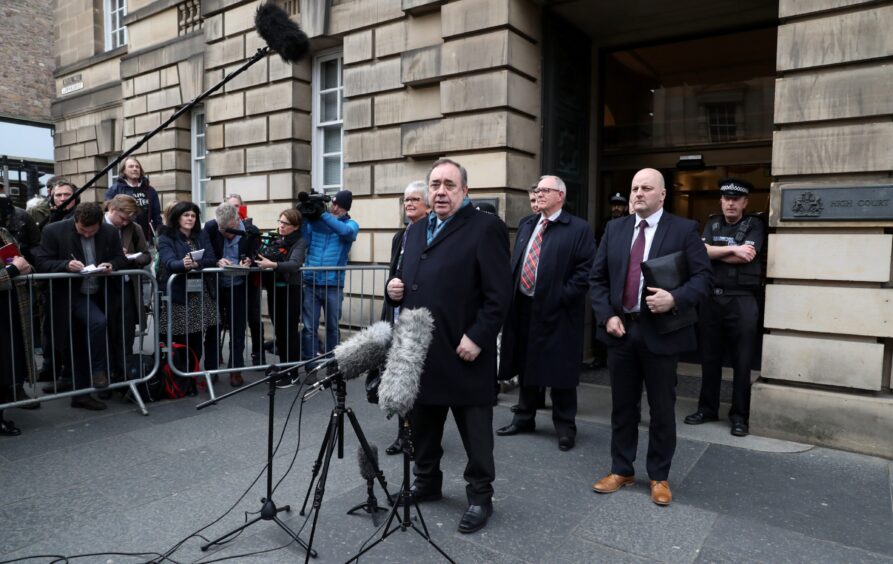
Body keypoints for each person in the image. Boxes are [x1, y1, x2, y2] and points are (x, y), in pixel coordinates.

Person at [386, 158, 512, 534]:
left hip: (464, 350)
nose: (441, 191)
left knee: (475, 432)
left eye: (449, 185)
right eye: (435, 184)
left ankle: (479, 496)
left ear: (465, 191)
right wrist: (394, 291)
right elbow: (410, 277)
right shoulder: (416, 228)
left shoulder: (485, 227)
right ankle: (427, 483)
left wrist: (478, 337)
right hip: (422, 352)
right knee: (423, 428)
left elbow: (499, 294)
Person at [589, 167, 711, 506]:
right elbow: (596, 280)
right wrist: (607, 315)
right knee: (622, 407)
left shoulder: (684, 230)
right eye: (634, 187)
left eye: (646, 188)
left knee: (661, 408)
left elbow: (703, 280)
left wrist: (675, 298)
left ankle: (659, 476)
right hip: (621, 330)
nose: (638, 193)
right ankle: (621, 469)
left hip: (661, 333)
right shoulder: (615, 229)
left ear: (661, 195)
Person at [495, 175, 596, 451]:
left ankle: (565, 426)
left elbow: (585, 272)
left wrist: (560, 297)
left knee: (560, 371)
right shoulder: (528, 224)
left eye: (544, 190)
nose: (537, 194)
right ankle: (524, 417)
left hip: (559, 312)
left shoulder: (578, 229)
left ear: (560, 195)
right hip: (525, 308)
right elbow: (518, 262)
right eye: (536, 190)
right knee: (527, 365)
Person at [685, 178, 765, 437]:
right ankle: (707, 408)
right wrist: (732, 250)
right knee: (709, 358)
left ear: (744, 202)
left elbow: (748, 256)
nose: (730, 203)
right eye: (726, 199)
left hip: (741, 300)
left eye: (736, 199)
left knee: (742, 361)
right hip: (711, 299)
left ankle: (739, 416)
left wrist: (715, 249)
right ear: (721, 201)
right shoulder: (712, 222)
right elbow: (700, 251)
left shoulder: (754, 224)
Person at [33, 202, 128, 411]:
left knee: (87, 338)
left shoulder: (110, 232)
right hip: (69, 296)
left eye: (91, 231)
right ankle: (95, 374)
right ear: (75, 221)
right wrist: (65, 265)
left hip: (98, 294)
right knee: (92, 327)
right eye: (82, 230)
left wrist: (112, 265)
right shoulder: (53, 230)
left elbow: (120, 259)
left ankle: (84, 389)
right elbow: (40, 262)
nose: (87, 235)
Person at [380, 180, 430, 456]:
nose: (409, 204)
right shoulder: (400, 236)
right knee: (399, 377)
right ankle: (403, 434)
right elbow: (392, 276)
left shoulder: (431, 234)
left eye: (414, 199)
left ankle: (418, 435)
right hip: (397, 315)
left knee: (417, 380)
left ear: (427, 203)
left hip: (419, 320)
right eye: (406, 200)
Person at [157, 201, 219, 385]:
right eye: (186, 215)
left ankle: (192, 373)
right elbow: (169, 262)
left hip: (201, 293)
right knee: (180, 337)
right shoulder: (166, 236)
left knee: (197, 336)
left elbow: (211, 259)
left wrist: (197, 264)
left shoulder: (201, 235)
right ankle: (179, 377)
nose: (190, 219)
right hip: (178, 294)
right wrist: (182, 264)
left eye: (193, 215)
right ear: (177, 217)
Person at [203, 203, 259, 387]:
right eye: (222, 230)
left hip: (240, 286)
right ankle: (211, 370)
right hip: (216, 286)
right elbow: (206, 254)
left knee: (238, 328)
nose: (225, 234)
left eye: (229, 230)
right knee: (213, 328)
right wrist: (216, 261)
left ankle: (236, 369)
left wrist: (250, 261)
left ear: (237, 221)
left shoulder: (251, 231)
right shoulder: (211, 228)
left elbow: (257, 256)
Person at [301, 189, 359, 360]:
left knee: (332, 328)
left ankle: (332, 366)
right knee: (309, 328)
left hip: (333, 285)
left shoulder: (351, 224)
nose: (334, 207)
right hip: (311, 283)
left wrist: (323, 215)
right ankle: (311, 366)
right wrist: (305, 216)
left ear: (345, 208)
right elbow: (304, 241)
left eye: (337, 205)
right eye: (332, 204)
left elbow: (346, 233)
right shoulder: (317, 223)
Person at [104, 195, 153, 385]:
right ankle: (106, 374)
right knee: (105, 330)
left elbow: (147, 255)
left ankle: (124, 373)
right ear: (112, 209)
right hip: (103, 285)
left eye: (128, 220)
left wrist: (131, 258)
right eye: (122, 218)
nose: (124, 223)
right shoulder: (98, 225)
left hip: (126, 285)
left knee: (126, 331)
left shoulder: (134, 228)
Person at [256, 209, 307, 363]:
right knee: (278, 331)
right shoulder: (276, 239)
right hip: (274, 289)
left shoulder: (300, 241)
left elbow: (294, 264)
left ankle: (292, 371)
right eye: (280, 221)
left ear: (296, 226)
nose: (281, 226)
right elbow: (261, 256)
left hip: (291, 290)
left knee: (289, 332)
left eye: (286, 223)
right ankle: (285, 366)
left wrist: (273, 264)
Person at [0, 217, 35, 435]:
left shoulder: (3, 231)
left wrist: (25, 268)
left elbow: (19, 261)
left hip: (10, 306)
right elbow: (13, 267)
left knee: (8, 363)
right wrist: (13, 270)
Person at [224, 193, 263, 365]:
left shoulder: (250, 228)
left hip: (249, 281)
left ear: (242, 207)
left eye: (237, 206)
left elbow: (257, 252)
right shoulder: (220, 227)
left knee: (253, 318)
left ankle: (257, 353)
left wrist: (250, 260)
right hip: (227, 280)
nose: (234, 210)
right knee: (225, 321)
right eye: (230, 206)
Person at [105, 157, 163, 240]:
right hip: (123, 236)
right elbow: (108, 213)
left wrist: (160, 235)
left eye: (137, 167)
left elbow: (157, 216)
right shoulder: (115, 189)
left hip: (147, 237)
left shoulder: (150, 190)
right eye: (131, 166)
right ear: (123, 170)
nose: (135, 169)